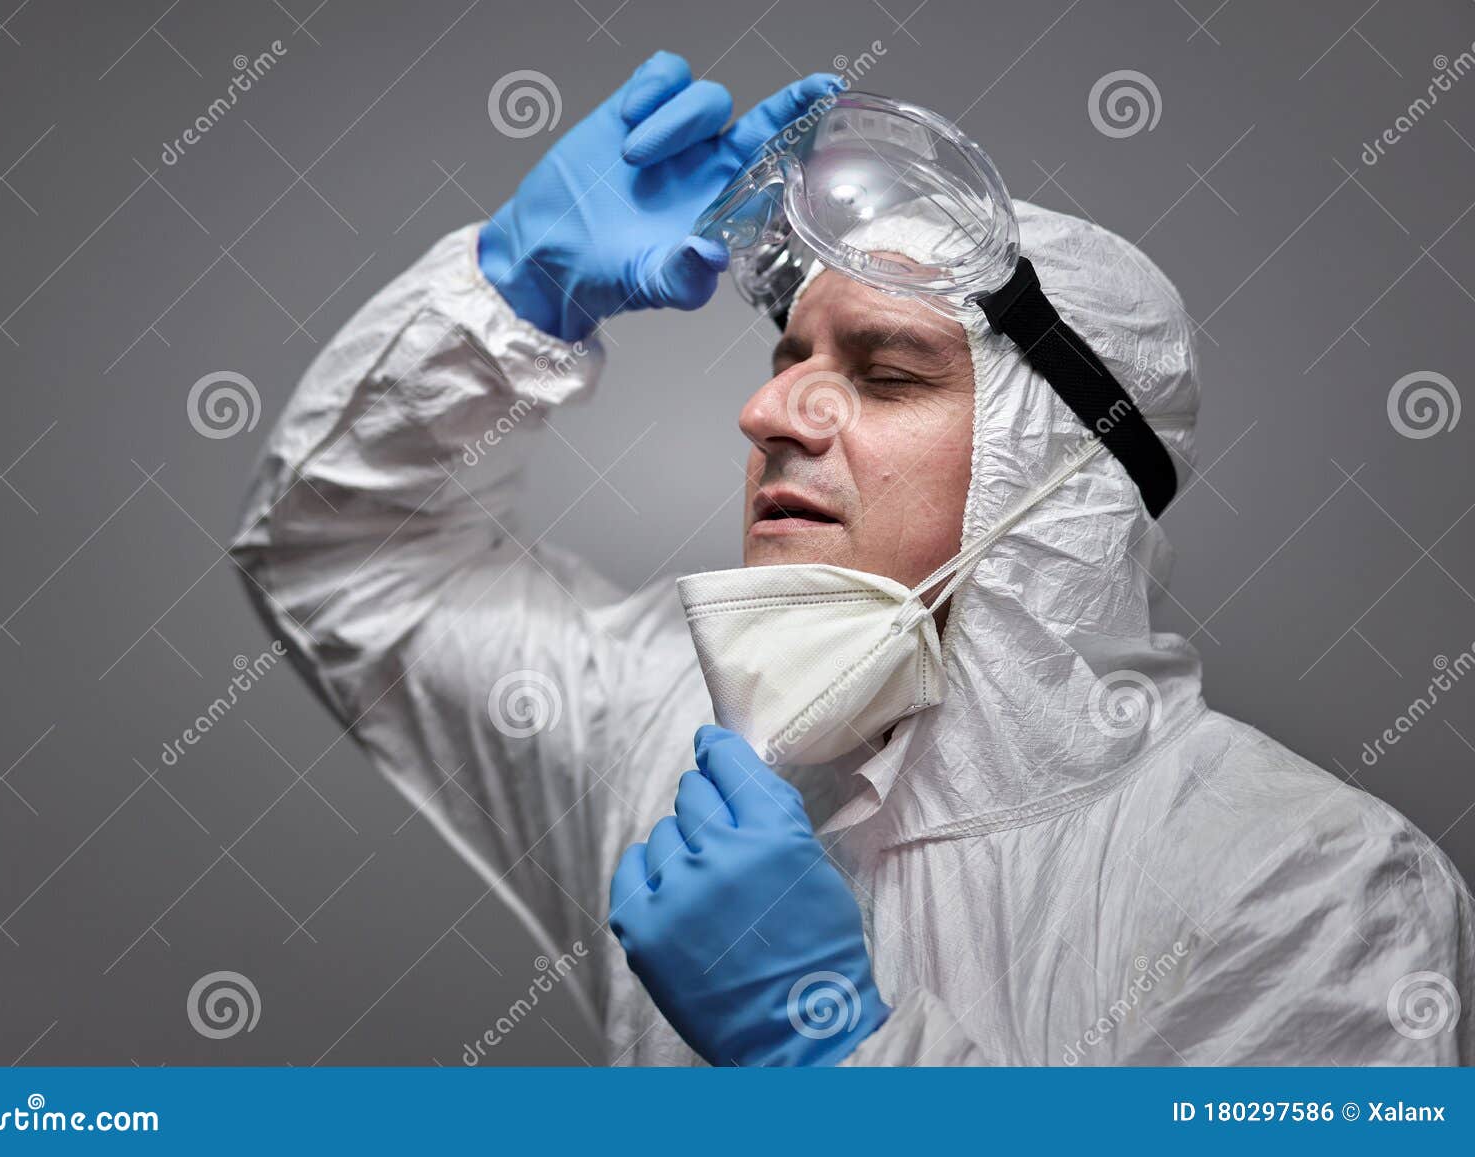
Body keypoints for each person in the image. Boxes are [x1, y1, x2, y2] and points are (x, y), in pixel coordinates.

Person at [232, 52, 1473, 1065]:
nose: (769, 416)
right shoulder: (669, 747)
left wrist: (826, 1059)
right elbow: (347, 559)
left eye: (883, 374)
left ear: (1064, 472)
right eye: (787, 361)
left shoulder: (1305, 885)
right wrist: (517, 293)